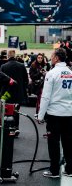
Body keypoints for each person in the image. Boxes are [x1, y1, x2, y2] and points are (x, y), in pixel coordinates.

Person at [37, 48, 72, 178]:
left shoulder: (51, 73)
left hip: (55, 114)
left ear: (56, 58)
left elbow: (45, 97)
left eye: (52, 56)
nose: (50, 58)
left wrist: (40, 115)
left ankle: (54, 170)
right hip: (69, 114)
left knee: (54, 143)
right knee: (68, 142)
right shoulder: (70, 72)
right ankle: (70, 169)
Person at [0, 50, 29, 136]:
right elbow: (26, 80)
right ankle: (16, 127)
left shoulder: (3, 66)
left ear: (8, 56)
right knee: (16, 111)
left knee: (6, 111)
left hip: (6, 92)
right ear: (15, 56)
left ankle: (7, 127)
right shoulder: (21, 66)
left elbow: (0, 80)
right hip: (18, 92)